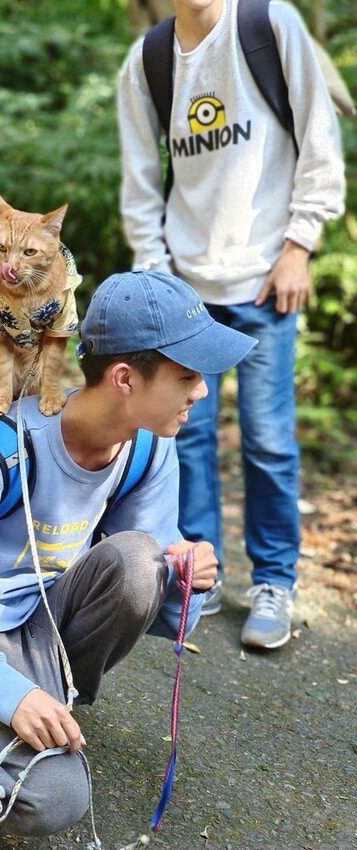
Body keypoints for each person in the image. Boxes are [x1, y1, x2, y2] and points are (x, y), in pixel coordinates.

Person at [0, 269, 255, 837]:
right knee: (51, 800)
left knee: (142, 559)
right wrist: (9, 696)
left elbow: (163, 611)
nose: (201, 391)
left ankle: (41, 702)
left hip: (44, 624)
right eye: (186, 376)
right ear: (125, 378)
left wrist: (186, 579)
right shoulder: (0, 454)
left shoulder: (149, 450)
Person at [117, 0, 345, 649]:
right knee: (183, 437)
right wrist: (157, 277)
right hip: (186, 282)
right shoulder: (150, 59)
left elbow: (318, 139)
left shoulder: (268, 25)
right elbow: (140, 184)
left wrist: (298, 245)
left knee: (267, 440)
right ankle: (198, 571)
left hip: (266, 276)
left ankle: (274, 580)